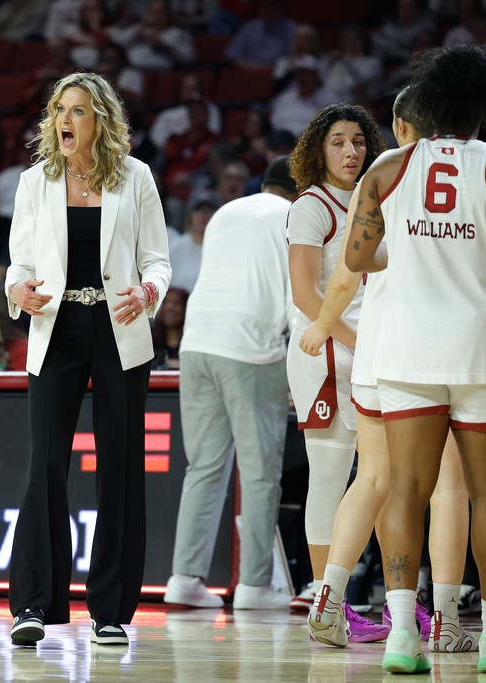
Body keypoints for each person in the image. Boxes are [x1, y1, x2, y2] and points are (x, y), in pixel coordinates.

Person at [342, 45, 486, 674]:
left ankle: (400, 638)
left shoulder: (386, 169)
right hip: (481, 348)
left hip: (409, 351)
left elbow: (360, 258)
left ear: (424, 102)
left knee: (406, 490)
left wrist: (415, 251)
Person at [300, 86, 476, 654]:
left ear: (401, 125)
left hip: (377, 345)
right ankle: (445, 618)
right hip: (448, 345)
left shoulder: (384, 173)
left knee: (371, 478)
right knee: (448, 486)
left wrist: (324, 324)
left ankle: (329, 600)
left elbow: (350, 270)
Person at [6, 72, 171, 648]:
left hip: (119, 328)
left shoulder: (136, 177)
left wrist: (147, 294)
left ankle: (110, 610)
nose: (65, 121)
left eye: (77, 110)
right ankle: (32, 604)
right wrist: (17, 292)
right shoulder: (35, 181)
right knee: (44, 465)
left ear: (100, 119)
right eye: (59, 111)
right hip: (55, 328)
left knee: (119, 470)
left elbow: (158, 261)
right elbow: (18, 264)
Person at [163, 156, 296, 610]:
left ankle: (184, 578)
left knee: (203, 467)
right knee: (259, 473)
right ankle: (256, 586)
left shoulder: (228, 210)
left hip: (197, 345)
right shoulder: (296, 215)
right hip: (249, 349)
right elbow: (299, 297)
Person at [283, 103, 388, 641]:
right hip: (325, 355)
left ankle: (355, 596)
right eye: (338, 143)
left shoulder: (376, 199)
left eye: (358, 142)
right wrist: (361, 341)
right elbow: (306, 295)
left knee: (378, 481)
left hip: (372, 354)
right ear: (318, 151)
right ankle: (327, 604)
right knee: (328, 481)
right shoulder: (310, 206)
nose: (351, 152)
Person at [150, 286, 188, 370]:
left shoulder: (194, 344)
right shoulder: (150, 342)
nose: (169, 307)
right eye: (165, 303)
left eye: (176, 303)